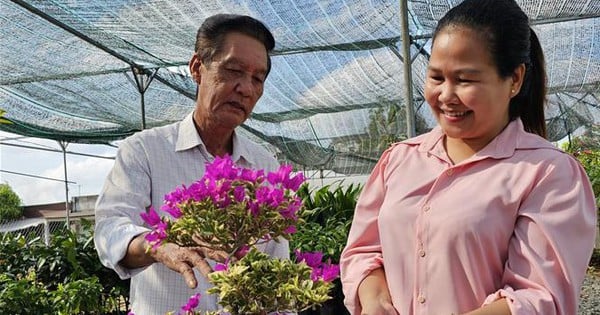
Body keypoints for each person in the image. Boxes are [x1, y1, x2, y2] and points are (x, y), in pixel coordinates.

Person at [339, 0, 597, 314]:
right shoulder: (399, 161)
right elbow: (364, 251)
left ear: (514, 79)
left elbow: (538, 297)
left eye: (465, 80)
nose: (446, 96)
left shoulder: (547, 173)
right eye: (436, 78)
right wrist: (374, 299)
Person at [94, 14, 290, 314]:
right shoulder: (145, 151)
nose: (246, 89)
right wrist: (158, 247)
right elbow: (110, 230)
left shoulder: (262, 164)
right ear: (198, 68)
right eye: (234, 70)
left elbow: (278, 262)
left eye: (257, 79)